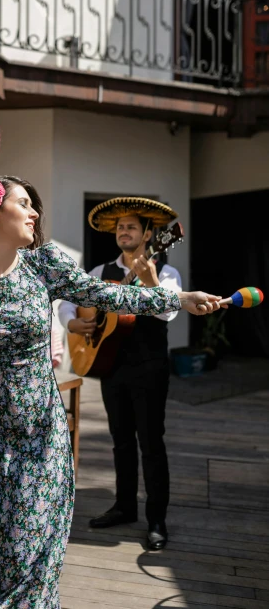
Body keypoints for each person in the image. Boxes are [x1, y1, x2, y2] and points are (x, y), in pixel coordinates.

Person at [0, 175, 221, 609]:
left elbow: (107, 294)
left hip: (39, 435)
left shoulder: (45, 265)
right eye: (25, 203)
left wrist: (175, 296)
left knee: (28, 545)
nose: (36, 212)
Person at [59, 197, 183, 551]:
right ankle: (125, 506)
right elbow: (70, 300)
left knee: (151, 442)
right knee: (121, 441)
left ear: (149, 235)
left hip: (149, 367)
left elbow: (168, 314)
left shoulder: (167, 272)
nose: (123, 232)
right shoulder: (100, 272)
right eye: (119, 227)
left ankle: (157, 518)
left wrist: (152, 280)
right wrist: (74, 322)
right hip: (111, 366)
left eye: (131, 226)